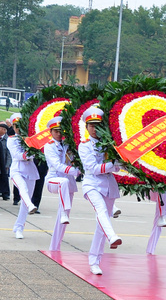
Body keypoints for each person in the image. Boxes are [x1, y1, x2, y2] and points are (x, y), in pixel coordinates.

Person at [77, 107, 123, 275]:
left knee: (101, 224)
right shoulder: (84, 146)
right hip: (92, 184)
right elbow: (93, 168)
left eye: (98, 125)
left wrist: (121, 162)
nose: (95, 129)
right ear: (87, 127)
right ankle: (112, 236)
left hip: (109, 185)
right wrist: (114, 164)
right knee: (101, 211)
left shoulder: (110, 144)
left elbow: (118, 168)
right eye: (91, 126)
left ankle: (94, 260)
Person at [43, 116, 80, 251]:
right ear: (51, 132)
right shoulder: (49, 146)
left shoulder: (68, 145)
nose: (59, 134)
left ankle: (54, 247)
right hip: (54, 180)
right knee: (63, 181)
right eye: (56, 131)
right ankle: (64, 212)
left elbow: (75, 160)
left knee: (64, 220)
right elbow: (58, 166)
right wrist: (74, 171)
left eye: (61, 131)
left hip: (68, 183)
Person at [7, 116, 39, 238]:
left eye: (21, 126)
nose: (19, 129)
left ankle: (19, 228)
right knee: (23, 189)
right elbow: (17, 155)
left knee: (25, 203)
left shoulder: (31, 138)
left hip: (30, 171)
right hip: (17, 170)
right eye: (16, 126)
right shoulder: (11, 139)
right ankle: (31, 205)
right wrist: (30, 152)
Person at [0, 122, 12, 200]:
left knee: (4, 178)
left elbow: (9, 154)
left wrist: (7, 165)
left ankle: (5, 194)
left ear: (4, 130)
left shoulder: (8, 140)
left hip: (4, 162)